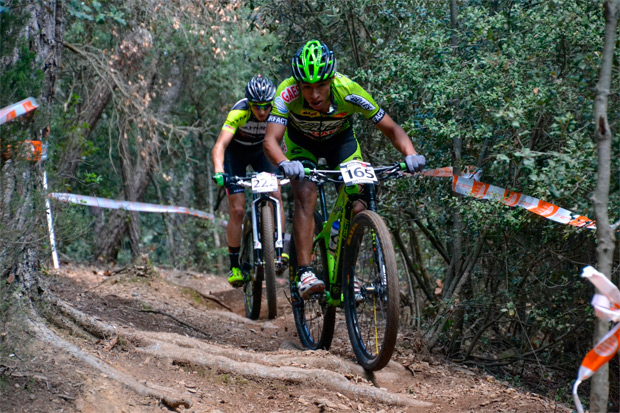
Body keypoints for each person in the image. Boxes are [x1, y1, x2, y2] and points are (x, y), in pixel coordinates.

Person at [263, 40, 426, 300]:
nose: (314, 94)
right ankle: (304, 272)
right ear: (298, 84)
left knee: (359, 201)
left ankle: (346, 271)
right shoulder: (287, 93)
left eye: (321, 86)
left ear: (332, 80)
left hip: (341, 143)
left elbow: (392, 128)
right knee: (305, 192)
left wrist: (411, 153)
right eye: (307, 87)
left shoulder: (348, 89)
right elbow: (271, 140)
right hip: (301, 145)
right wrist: (284, 163)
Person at [212, 75, 285, 287]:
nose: (262, 112)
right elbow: (219, 146)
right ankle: (234, 264)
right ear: (249, 104)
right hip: (236, 154)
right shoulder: (239, 111)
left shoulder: (278, 111)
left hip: (262, 152)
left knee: (277, 194)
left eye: (266, 106)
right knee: (237, 210)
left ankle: (278, 249)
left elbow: (286, 140)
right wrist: (219, 171)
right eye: (257, 107)